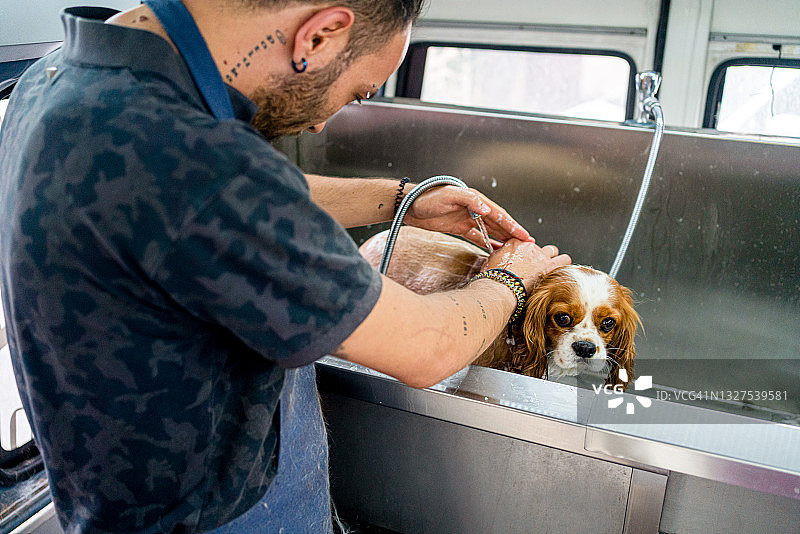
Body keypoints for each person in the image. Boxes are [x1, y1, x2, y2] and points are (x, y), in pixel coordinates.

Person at [0, 1, 570, 532]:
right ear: (319, 35)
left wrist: (400, 201)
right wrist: (513, 276)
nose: (325, 124)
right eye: (356, 93)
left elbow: (235, 207)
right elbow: (426, 348)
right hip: (223, 518)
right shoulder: (198, 165)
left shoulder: (62, 79)